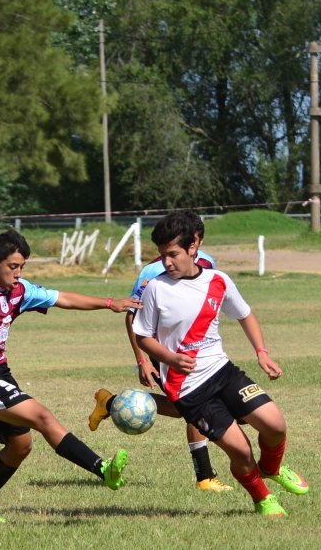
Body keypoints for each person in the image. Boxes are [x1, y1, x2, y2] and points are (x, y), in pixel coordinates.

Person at [0, 229, 140, 524]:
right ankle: (102, 468)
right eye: (12, 267)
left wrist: (109, 303)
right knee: (43, 416)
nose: (18, 274)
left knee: (21, 445)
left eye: (22, 267)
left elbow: (63, 298)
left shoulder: (19, 291)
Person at [130, 210, 309, 518]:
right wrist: (170, 358)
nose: (167, 263)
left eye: (172, 254)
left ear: (194, 244)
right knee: (240, 450)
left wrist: (262, 353)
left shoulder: (218, 281)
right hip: (186, 389)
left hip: (223, 372)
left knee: (275, 424)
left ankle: (271, 468)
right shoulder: (156, 289)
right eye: (162, 256)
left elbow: (244, 314)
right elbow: (143, 336)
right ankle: (262, 498)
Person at [87, 235, 233, 493]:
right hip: (164, 351)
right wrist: (142, 359)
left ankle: (110, 402)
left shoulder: (208, 262)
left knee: (182, 409)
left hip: (195, 348)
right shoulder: (152, 271)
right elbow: (133, 317)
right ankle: (205, 477)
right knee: (195, 405)